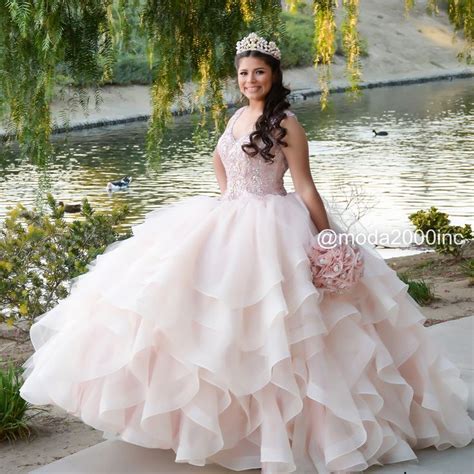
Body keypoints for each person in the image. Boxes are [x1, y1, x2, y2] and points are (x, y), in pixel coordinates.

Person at [20, 32, 473, 473]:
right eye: (243, 73)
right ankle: (233, 430)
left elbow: (305, 186)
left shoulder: (286, 124)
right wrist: (228, 210)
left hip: (276, 224)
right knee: (212, 325)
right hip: (228, 219)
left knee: (285, 331)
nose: (250, 79)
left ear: (274, 76)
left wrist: (328, 239)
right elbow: (224, 171)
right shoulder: (236, 117)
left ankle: (300, 433)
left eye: (258, 72)